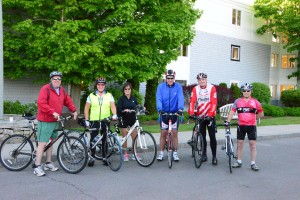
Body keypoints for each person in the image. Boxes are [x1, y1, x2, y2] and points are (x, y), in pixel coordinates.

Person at [34, 71, 78, 177]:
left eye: (59, 79)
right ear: (51, 79)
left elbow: (67, 100)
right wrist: (52, 112)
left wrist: (74, 110)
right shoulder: (46, 89)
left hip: (55, 121)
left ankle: (48, 163)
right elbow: (41, 103)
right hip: (45, 120)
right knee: (42, 143)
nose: (57, 80)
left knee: (51, 142)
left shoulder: (61, 90)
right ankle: (37, 166)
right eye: (55, 79)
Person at [225, 83, 264, 171]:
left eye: (248, 91)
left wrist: (255, 118)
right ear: (242, 91)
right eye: (244, 91)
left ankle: (253, 163)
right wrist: (228, 121)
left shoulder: (255, 102)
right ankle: (239, 161)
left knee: (252, 145)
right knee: (239, 144)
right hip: (241, 126)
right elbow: (232, 112)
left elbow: (261, 113)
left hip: (252, 126)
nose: (246, 92)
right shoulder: (237, 101)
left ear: (251, 91)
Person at [84, 77, 117, 167]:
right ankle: (92, 158)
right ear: (96, 85)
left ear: (104, 86)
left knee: (105, 139)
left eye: (102, 84)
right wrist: (87, 119)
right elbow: (86, 108)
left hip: (105, 120)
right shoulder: (91, 95)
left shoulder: (109, 95)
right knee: (93, 139)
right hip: (94, 120)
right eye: (99, 84)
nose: (100, 86)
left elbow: (113, 106)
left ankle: (105, 158)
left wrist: (114, 114)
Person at [188, 72, 218, 165]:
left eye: (203, 79)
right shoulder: (195, 89)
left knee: (212, 137)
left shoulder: (212, 88)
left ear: (206, 79)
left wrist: (210, 115)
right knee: (202, 137)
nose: (202, 81)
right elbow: (192, 102)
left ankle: (214, 156)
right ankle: (204, 155)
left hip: (210, 116)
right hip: (200, 116)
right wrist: (191, 113)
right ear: (198, 81)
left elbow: (214, 102)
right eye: (200, 80)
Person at [156, 69, 184, 161]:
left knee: (175, 133)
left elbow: (180, 97)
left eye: (172, 78)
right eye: (168, 78)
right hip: (164, 113)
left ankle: (175, 153)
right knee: (163, 133)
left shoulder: (178, 87)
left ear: (174, 78)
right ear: (166, 78)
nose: (170, 80)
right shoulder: (161, 87)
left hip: (175, 113)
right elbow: (158, 98)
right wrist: (160, 109)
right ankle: (161, 153)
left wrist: (180, 109)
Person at [117, 82, 139, 161]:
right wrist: (123, 110)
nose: (127, 90)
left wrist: (142, 108)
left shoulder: (133, 99)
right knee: (125, 138)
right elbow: (118, 109)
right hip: (124, 120)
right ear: (123, 90)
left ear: (131, 90)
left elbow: (137, 107)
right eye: (125, 89)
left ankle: (134, 154)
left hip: (132, 120)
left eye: (129, 89)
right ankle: (125, 154)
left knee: (135, 137)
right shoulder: (121, 99)